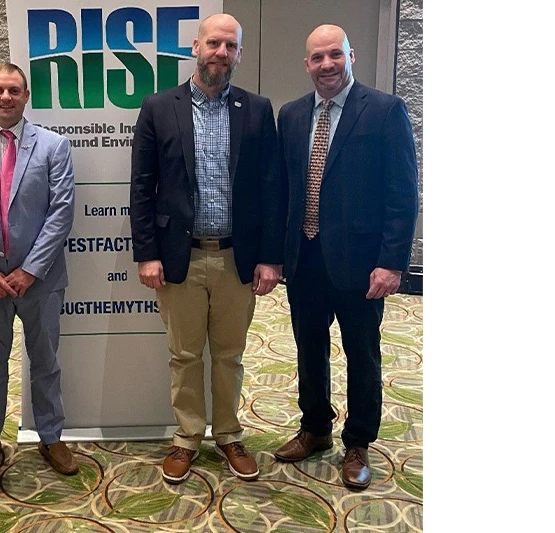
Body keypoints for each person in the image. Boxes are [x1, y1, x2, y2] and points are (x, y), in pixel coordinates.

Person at [130, 14, 283, 484]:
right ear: (195, 46)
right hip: (181, 257)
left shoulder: (257, 109)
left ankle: (229, 434)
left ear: (238, 52)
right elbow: (142, 185)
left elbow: (272, 187)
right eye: (214, 43)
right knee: (184, 354)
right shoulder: (158, 106)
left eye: (230, 46)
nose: (222, 52)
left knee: (230, 354)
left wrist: (271, 256)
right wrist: (147, 253)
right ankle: (186, 437)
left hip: (238, 257)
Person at [273, 24, 419, 490]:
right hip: (305, 259)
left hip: (361, 263)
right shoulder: (292, 116)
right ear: (307, 64)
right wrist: (278, 255)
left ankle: (358, 441)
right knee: (308, 349)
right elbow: (286, 194)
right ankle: (315, 427)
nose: (327, 65)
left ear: (350, 56)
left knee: (362, 353)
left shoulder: (384, 110)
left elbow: (403, 192)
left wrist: (392, 261)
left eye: (335, 55)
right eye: (317, 58)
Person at [0, 62, 78, 481]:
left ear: (26, 97)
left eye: (14, 90)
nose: (6, 97)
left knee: (45, 361)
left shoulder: (54, 146)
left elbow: (61, 212)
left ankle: (50, 436)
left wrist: (31, 270)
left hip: (39, 281)